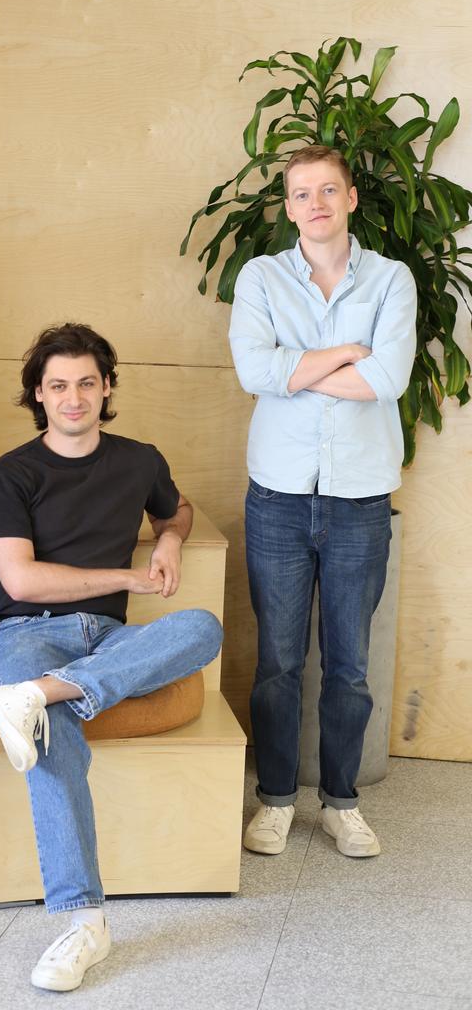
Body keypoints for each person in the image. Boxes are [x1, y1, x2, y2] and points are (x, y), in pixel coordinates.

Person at [0, 323, 223, 991]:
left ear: (107, 387)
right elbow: (22, 582)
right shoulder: (10, 473)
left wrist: (168, 540)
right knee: (54, 739)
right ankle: (85, 922)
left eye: (87, 382)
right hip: (25, 633)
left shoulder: (139, 459)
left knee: (201, 626)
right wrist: (129, 579)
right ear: (39, 394)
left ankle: (43, 692)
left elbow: (179, 509)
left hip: (106, 640)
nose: (75, 396)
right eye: (59, 385)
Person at [229, 145, 417, 858]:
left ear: (351, 200)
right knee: (277, 660)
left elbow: (388, 379)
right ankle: (275, 799)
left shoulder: (391, 279)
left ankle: (341, 802)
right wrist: (346, 352)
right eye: (302, 193)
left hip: (361, 497)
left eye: (328, 190)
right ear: (289, 206)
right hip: (277, 493)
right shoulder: (262, 277)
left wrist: (298, 369)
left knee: (350, 664)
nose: (316, 204)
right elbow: (255, 369)